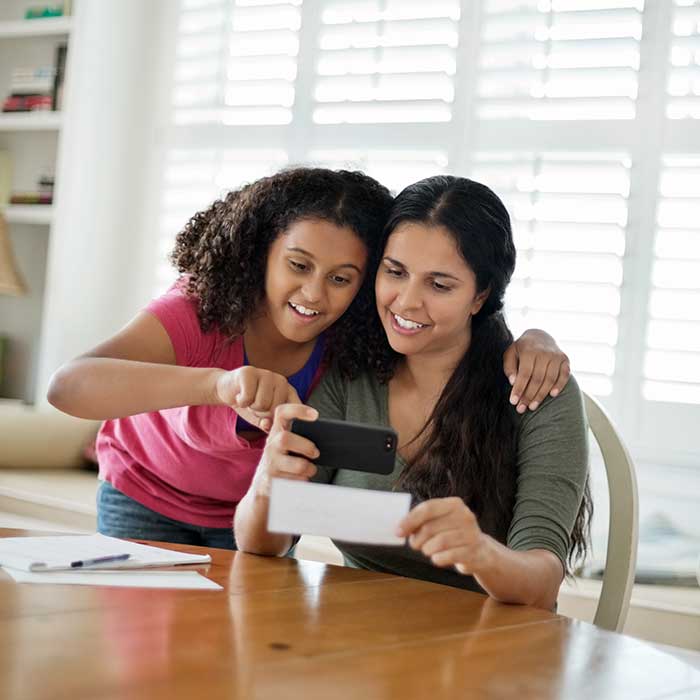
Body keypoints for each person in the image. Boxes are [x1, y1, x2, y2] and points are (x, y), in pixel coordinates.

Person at [48, 168, 571, 550]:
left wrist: (533, 337)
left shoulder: (356, 333)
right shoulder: (205, 305)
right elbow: (68, 386)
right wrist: (218, 386)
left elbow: (448, 308)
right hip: (147, 493)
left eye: (342, 278)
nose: (314, 294)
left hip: (254, 518)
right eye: (298, 265)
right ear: (260, 253)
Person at [235, 175, 591, 610]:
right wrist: (268, 486)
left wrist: (481, 552)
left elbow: (541, 585)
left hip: (486, 648)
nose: (406, 302)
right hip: (356, 641)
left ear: (480, 295)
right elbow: (263, 544)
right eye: (395, 272)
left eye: (439, 285)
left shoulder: (536, 392)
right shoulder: (351, 376)